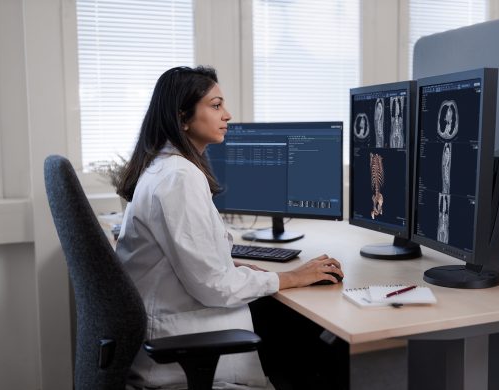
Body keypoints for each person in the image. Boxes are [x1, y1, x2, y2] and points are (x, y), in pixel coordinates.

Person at [115, 66, 344, 390]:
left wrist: (233, 265)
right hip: (184, 343)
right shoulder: (179, 178)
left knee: (298, 329)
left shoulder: (166, 168)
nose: (228, 114)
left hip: (173, 323)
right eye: (216, 105)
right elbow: (215, 286)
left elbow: (191, 260)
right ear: (183, 117)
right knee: (319, 344)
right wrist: (292, 276)